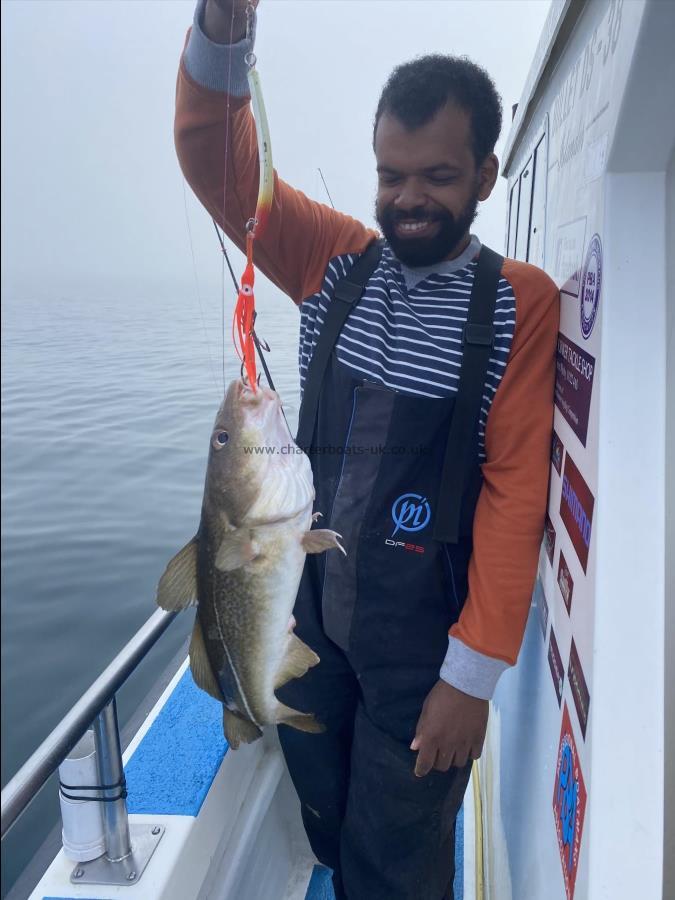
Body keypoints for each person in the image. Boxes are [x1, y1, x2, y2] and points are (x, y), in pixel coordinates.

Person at [175, 1, 559, 897]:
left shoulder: (517, 303)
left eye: (437, 176)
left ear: (486, 174)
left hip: (419, 648)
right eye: (390, 174)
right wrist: (222, 30)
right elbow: (215, 165)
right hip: (305, 619)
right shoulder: (335, 260)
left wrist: (471, 678)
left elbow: (512, 496)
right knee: (327, 818)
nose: (408, 199)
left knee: (397, 856)